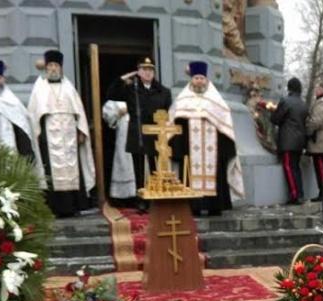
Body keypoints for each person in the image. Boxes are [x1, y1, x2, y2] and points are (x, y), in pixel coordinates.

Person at [169, 61, 244, 216]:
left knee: (216, 176)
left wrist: (226, 150)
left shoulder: (216, 101)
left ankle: (215, 206)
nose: (199, 81)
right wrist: (178, 149)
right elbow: (176, 125)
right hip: (190, 151)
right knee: (189, 176)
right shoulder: (183, 100)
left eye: (202, 78)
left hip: (214, 153)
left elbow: (225, 126)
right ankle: (194, 207)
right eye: (196, 78)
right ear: (191, 80)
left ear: (206, 80)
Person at [27, 50, 95, 218]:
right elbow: (34, 114)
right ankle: (55, 208)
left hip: (70, 135)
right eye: (50, 65)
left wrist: (81, 132)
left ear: (61, 68)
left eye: (56, 65)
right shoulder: (40, 87)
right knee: (51, 171)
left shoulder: (69, 87)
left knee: (73, 169)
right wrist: (38, 134)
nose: (53, 68)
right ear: (46, 68)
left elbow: (79, 112)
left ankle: (75, 206)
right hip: (49, 136)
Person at [105, 57, 172, 207]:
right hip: (138, 135)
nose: (148, 73)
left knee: (156, 168)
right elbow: (111, 94)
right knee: (139, 170)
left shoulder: (163, 91)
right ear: (138, 72)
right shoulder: (131, 89)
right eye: (144, 69)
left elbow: (168, 113)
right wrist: (124, 78)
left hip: (156, 135)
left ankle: (157, 198)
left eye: (150, 70)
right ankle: (142, 199)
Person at [271, 77, 309, 204]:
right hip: (300, 141)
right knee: (296, 167)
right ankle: (300, 193)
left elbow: (276, 119)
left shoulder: (286, 101)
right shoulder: (303, 104)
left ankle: (294, 195)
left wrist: (272, 112)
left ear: (289, 88)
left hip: (288, 140)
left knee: (288, 167)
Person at [101, 99, 136, 203]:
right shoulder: (116, 95)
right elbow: (107, 114)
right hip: (123, 135)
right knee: (123, 162)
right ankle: (122, 198)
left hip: (138, 134)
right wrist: (119, 112)